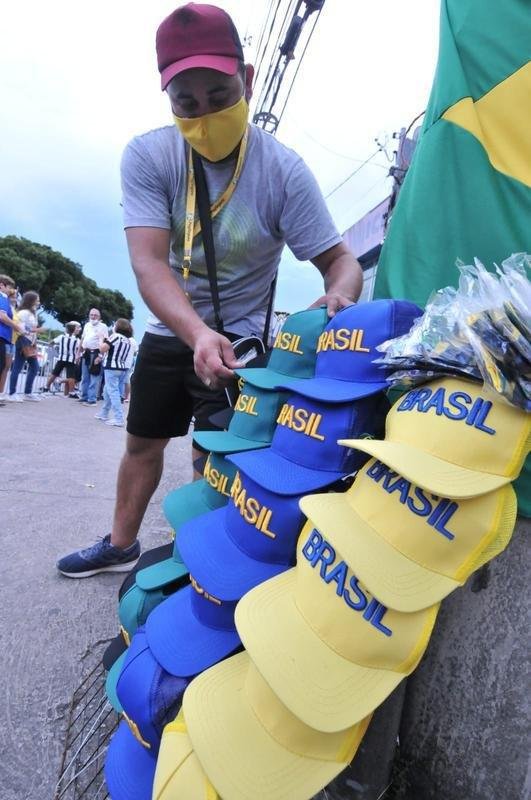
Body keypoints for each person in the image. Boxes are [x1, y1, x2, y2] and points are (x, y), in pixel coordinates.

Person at [57, 3, 363, 578]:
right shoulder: (149, 155)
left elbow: (341, 260)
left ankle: (205, 566)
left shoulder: (284, 172)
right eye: (186, 104)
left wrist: (336, 298)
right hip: (172, 330)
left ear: (246, 82)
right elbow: (149, 264)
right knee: (142, 443)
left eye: (220, 97)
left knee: (216, 459)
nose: (204, 115)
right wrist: (194, 332)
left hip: (239, 349)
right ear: (167, 99)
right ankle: (120, 545)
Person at [95, 318, 134, 426]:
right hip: (121, 367)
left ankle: (118, 418)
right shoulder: (127, 340)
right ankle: (104, 412)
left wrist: (101, 338)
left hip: (111, 367)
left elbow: (102, 349)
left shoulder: (115, 336)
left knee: (112, 392)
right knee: (108, 390)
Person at [8, 290, 43, 402]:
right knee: (17, 367)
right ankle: (12, 393)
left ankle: (28, 392)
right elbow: (20, 327)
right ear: (31, 300)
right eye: (37, 300)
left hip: (30, 342)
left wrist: (35, 340)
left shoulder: (33, 312)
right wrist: (36, 330)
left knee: (35, 366)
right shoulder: (23, 313)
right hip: (22, 340)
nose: (38, 302)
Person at [0, 276, 23, 405]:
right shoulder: (2, 297)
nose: (11, 290)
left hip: (4, 338)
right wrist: (16, 326)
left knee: (3, 365)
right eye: (9, 287)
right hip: (1, 336)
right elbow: (2, 316)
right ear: (2, 286)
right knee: (2, 365)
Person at [79, 309, 108, 405]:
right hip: (86, 352)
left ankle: (91, 399)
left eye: (95, 315)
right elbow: (83, 338)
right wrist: (78, 353)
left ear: (99, 317)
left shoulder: (103, 327)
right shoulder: (87, 325)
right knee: (85, 376)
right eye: (91, 315)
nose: (93, 317)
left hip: (96, 352)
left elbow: (105, 342)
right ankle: (84, 396)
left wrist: (100, 356)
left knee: (94, 376)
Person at [45, 321, 81, 395]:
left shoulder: (61, 337)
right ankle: (71, 392)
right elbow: (81, 348)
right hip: (71, 360)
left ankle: (46, 387)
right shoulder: (77, 340)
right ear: (74, 329)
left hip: (61, 358)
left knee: (54, 373)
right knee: (71, 376)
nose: (78, 329)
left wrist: (53, 349)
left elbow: (52, 342)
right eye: (77, 328)